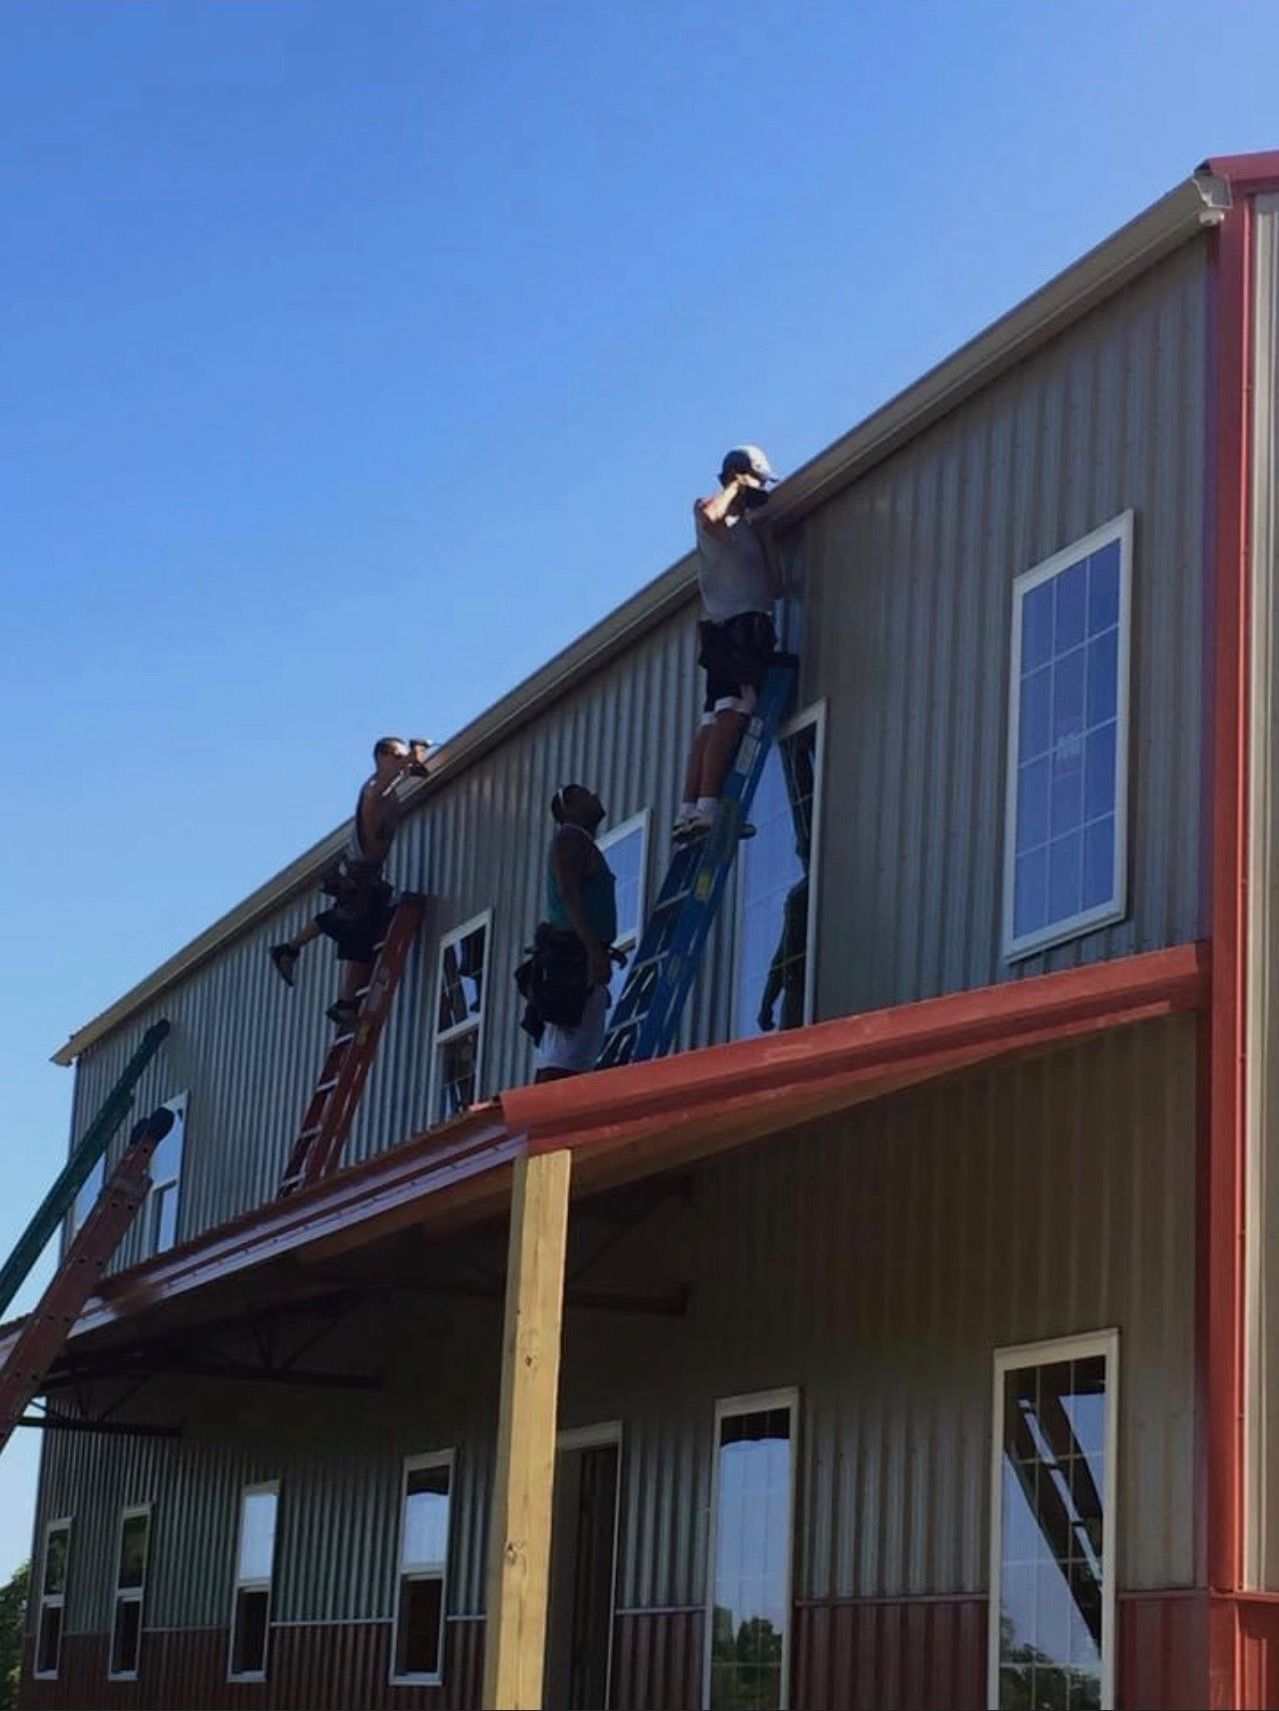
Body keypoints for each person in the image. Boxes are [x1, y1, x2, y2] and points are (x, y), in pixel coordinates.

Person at [268, 736, 431, 1028]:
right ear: (381, 757)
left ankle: (295, 953)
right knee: (355, 932)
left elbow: (400, 777)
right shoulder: (373, 790)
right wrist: (414, 756)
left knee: (355, 933)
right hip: (360, 872)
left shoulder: (387, 788)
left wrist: (414, 762)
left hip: (366, 871)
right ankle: (338, 997)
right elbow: (386, 781)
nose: (400, 762)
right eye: (396, 756)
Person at [674, 445, 784, 842]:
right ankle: (706, 807)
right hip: (736, 629)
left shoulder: (746, 530)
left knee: (712, 719)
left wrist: (766, 537)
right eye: (756, 479)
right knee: (734, 714)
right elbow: (708, 515)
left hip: (739, 626)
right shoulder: (712, 513)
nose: (760, 489)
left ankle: (688, 811)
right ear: (739, 474)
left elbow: (775, 588)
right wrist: (735, 489)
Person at [520, 784, 621, 1082]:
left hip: (581, 951)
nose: (595, 795)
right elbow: (569, 895)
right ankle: (552, 1111)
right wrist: (592, 949)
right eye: (585, 794)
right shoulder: (570, 838)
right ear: (569, 807)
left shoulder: (580, 841)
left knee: (581, 1051)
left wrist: (603, 948)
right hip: (573, 959)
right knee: (565, 1050)